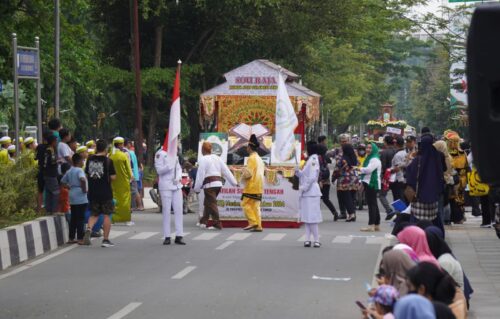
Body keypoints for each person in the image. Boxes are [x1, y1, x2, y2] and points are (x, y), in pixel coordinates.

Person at [194, 141, 237, 230]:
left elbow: (200, 175)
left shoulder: (203, 159)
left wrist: (197, 188)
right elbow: (226, 171)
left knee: (212, 204)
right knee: (208, 202)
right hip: (218, 184)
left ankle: (217, 223)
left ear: (202, 150)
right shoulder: (217, 158)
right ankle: (203, 221)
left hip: (209, 184)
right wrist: (234, 182)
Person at [405, 134, 444, 230]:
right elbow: (442, 172)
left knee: (416, 223)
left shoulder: (418, 159)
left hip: (419, 198)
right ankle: (434, 237)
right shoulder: (438, 157)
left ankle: (417, 239)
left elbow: (409, 174)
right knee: (434, 220)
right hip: (433, 198)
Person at [84, 139, 116, 247]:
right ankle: (106, 240)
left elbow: (87, 174)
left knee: (94, 214)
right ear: (106, 149)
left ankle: (89, 229)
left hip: (93, 192)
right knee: (107, 215)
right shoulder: (108, 161)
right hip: (105, 192)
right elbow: (113, 177)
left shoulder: (89, 160)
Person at [154, 142, 185, 245]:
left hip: (176, 185)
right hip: (166, 186)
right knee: (166, 211)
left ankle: (179, 235)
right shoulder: (160, 154)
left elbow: (179, 168)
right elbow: (159, 170)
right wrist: (169, 166)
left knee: (179, 210)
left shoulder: (174, 153)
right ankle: (167, 236)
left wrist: (178, 177)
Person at [296, 142, 323, 247]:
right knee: (307, 217)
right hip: (307, 192)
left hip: (311, 192)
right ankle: (307, 239)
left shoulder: (313, 160)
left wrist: (303, 188)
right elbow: (303, 175)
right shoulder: (310, 159)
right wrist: (297, 171)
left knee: (312, 218)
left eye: (306, 147)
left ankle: (316, 239)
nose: (305, 150)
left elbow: (312, 177)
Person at [61, 153, 88, 244]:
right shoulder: (79, 170)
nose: (83, 162)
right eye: (83, 160)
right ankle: (80, 238)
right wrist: (84, 189)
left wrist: (69, 187)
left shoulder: (69, 171)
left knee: (74, 218)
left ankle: (71, 238)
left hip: (72, 194)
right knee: (81, 218)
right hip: (80, 195)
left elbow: (62, 182)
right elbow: (82, 179)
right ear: (79, 161)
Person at [240, 134, 265, 232]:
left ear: (250, 147)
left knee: (245, 204)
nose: (247, 148)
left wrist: (243, 170)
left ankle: (253, 222)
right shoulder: (259, 158)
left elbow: (248, 174)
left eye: (247, 146)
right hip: (259, 185)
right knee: (256, 207)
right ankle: (258, 225)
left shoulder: (251, 158)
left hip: (251, 186)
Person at [444, 130, 468, 224]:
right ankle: (459, 217)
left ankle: (454, 217)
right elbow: (466, 166)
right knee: (459, 198)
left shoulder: (448, 154)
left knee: (452, 197)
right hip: (462, 179)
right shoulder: (463, 153)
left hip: (454, 179)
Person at [109, 137, 133, 224]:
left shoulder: (110, 155)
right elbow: (128, 168)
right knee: (125, 200)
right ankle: (126, 219)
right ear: (119, 144)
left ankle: (113, 219)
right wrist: (131, 177)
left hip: (113, 181)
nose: (123, 145)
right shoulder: (123, 155)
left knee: (114, 199)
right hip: (123, 181)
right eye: (122, 144)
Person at [359, 142, 382, 232]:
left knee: (371, 205)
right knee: (374, 204)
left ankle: (371, 225)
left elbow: (368, 170)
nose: (368, 149)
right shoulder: (370, 158)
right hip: (369, 183)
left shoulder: (374, 159)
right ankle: (376, 225)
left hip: (372, 184)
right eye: (367, 148)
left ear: (374, 149)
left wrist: (359, 168)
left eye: (370, 148)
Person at [333, 143, 359, 222]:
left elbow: (337, 169)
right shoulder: (355, 158)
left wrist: (333, 178)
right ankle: (353, 213)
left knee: (346, 198)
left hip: (345, 180)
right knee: (351, 198)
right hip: (354, 179)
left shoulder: (343, 159)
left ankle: (351, 215)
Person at [317, 138, 339, 220]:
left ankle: (316, 215)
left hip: (319, 181)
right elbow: (329, 161)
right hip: (326, 180)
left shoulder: (317, 158)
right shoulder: (325, 157)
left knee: (316, 198)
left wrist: (319, 180)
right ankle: (334, 212)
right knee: (326, 199)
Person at [434, 140, 454, 226]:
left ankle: (440, 222)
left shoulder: (438, 157)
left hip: (440, 182)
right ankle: (445, 220)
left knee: (439, 205)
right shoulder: (449, 157)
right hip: (447, 182)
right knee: (445, 203)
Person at [125, 139, 144, 211]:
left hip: (132, 174)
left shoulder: (129, 153)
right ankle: (136, 205)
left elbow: (130, 164)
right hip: (135, 173)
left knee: (135, 190)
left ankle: (139, 205)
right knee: (134, 190)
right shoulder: (131, 152)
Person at [43, 135, 60, 214]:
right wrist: (58, 161)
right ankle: (54, 210)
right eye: (56, 141)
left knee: (49, 192)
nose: (56, 143)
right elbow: (53, 161)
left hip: (46, 173)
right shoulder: (51, 150)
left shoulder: (46, 149)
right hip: (51, 174)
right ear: (53, 142)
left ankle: (48, 210)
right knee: (55, 192)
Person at [390, 136, 407, 206]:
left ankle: (400, 215)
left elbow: (397, 168)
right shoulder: (406, 153)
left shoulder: (397, 155)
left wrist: (390, 171)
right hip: (404, 179)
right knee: (403, 199)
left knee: (398, 200)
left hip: (398, 180)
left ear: (396, 144)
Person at [356, 144, 367, 210]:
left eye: (363, 149)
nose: (361, 151)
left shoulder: (367, 157)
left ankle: (366, 199)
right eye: (360, 149)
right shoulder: (356, 157)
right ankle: (355, 200)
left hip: (365, 174)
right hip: (357, 174)